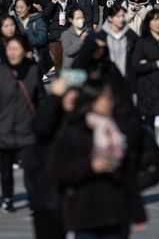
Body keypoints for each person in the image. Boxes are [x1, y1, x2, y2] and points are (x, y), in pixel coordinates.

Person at [50, 80, 146, 238]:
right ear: (91, 100)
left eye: (110, 97)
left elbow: (129, 175)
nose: (109, 102)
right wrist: (91, 166)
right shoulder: (75, 132)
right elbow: (59, 171)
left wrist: (137, 211)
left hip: (116, 214)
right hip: (86, 214)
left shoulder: (117, 131)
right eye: (105, 98)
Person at [0, 35, 46, 212]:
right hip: (4, 128)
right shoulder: (0, 71)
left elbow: (41, 98)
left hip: (27, 128)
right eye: (9, 49)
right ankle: (7, 198)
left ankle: (33, 199)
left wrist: (40, 121)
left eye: (16, 49)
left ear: (25, 51)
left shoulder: (33, 70)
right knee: (5, 169)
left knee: (31, 169)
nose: (12, 53)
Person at [102, 6, 138, 87]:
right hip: (107, 81)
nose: (121, 19)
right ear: (110, 18)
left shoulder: (131, 35)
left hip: (127, 80)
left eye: (123, 16)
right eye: (118, 16)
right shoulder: (101, 36)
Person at [44, 0, 75, 73]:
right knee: (57, 61)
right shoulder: (53, 4)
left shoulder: (71, 3)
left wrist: (68, 21)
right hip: (55, 37)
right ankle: (59, 81)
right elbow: (45, 15)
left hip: (67, 36)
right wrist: (52, 3)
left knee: (68, 61)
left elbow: (76, 17)